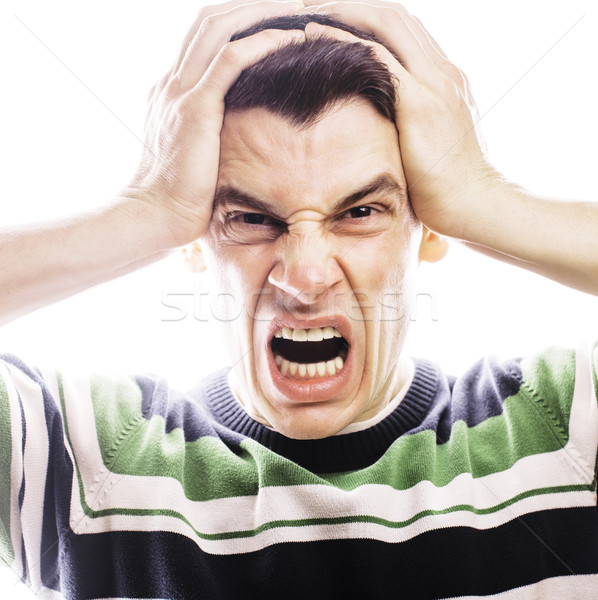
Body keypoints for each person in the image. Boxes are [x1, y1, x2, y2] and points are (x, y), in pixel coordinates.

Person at [1, 1, 597, 598]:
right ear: (193, 240)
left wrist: (483, 197)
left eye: (361, 212)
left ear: (432, 227)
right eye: (253, 217)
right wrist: (147, 214)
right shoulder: (86, 464)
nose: (305, 279)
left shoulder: (565, 432)